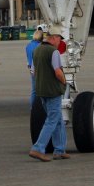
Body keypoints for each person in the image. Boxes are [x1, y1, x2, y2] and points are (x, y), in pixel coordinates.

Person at [29, 24, 69, 162]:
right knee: (52, 120)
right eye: (59, 38)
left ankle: (59, 150)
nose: (60, 42)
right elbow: (58, 72)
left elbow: (33, 72)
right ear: (54, 38)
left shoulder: (36, 50)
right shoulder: (54, 52)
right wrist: (64, 81)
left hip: (41, 91)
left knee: (57, 119)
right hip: (53, 91)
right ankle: (38, 148)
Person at [25, 29, 43, 107]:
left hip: (31, 68)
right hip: (39, 68)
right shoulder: (40, 46)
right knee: (42, 89)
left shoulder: (28, 45)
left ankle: (33, 106)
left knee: (34, 90)